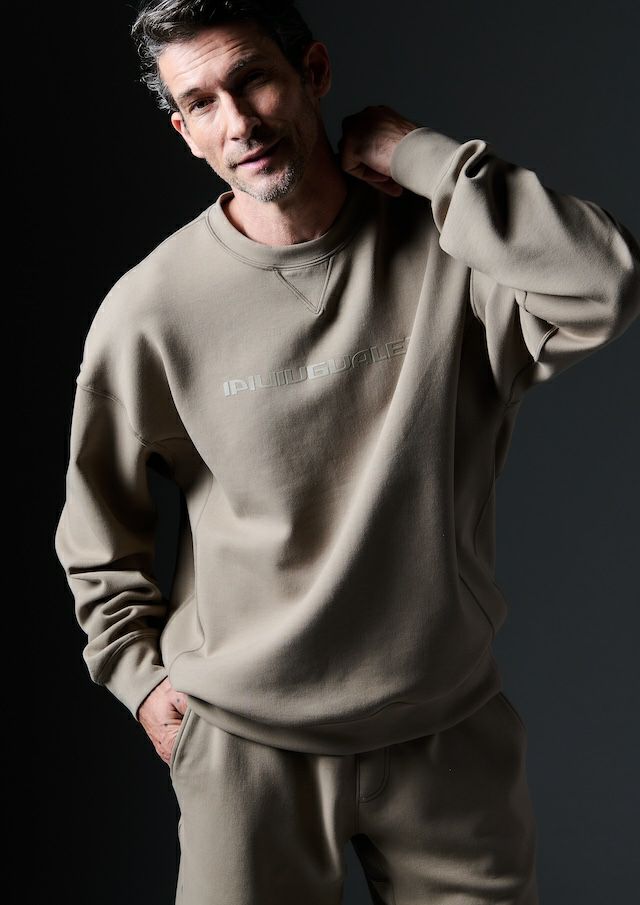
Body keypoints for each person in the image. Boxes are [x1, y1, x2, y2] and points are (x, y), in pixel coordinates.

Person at [53, 1, 640, 903]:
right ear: (185, 133)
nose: (239, 122)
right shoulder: (150, 310)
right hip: (247, 749)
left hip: (447, 731)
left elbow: (605, 282)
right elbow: (97, 531)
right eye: (201, 103)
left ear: (314, 73)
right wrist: (139, 681)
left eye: (253, 79)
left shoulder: (455, 254)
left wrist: (422, 157)